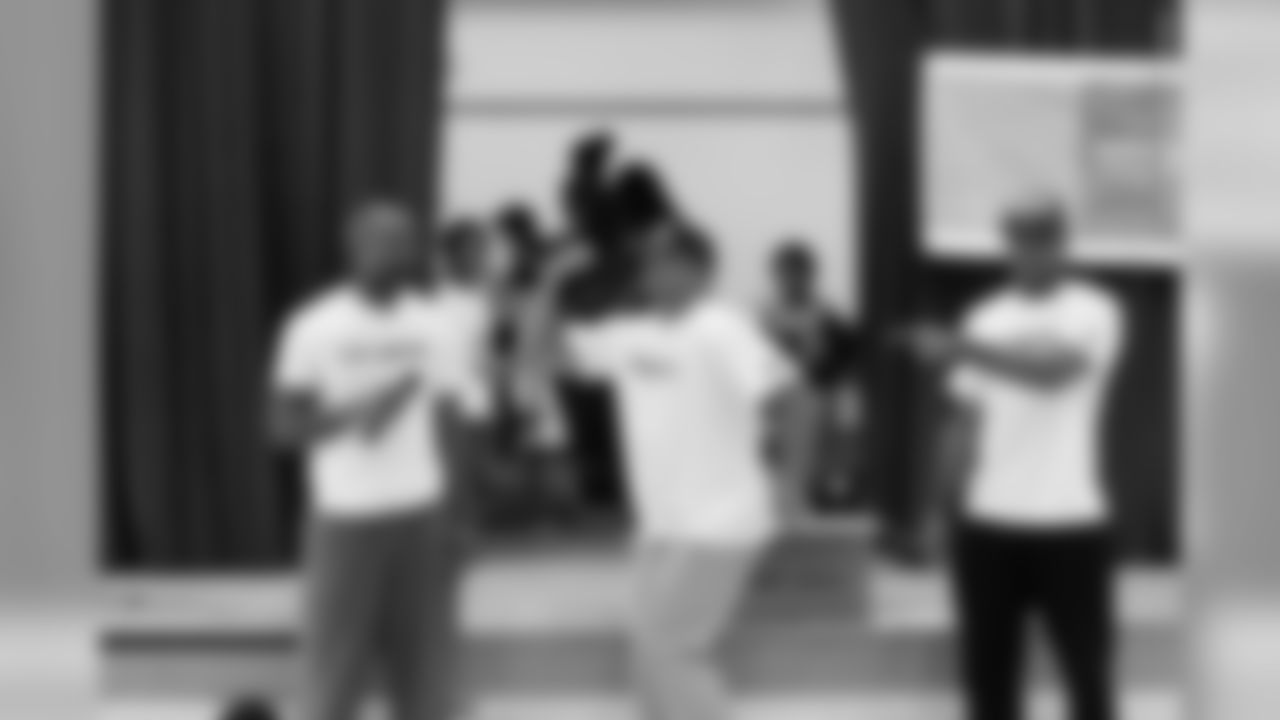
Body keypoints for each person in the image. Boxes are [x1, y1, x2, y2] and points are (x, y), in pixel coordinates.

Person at [521, 222, 814, 720]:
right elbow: (543, 353)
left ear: (696, 269)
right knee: (648, 655)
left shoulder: (720, 328)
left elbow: (798, 399)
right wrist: (550, 283)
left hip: (717, 524)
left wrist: (792, 488)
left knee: (669, 651)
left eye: (659, 259)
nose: (646, 270)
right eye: (646, 260)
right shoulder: (633, 334)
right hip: (662, 528)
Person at [901, 195, 1126, 720]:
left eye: (1043, 238)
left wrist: (962, 347)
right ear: (1007, 245)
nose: (1031, 250)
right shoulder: (985, 316)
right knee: (988, 677)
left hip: (1071, 521)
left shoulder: (1094, 310)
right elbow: (962, 422)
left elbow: (1054, 374)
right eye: (1021, 239)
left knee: (1087, 673)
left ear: (1063, 244)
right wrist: (937, 510)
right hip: (988, 523)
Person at [268, 200, 477, 720]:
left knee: (427, 677)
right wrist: (352, 415)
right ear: (354, 246)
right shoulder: (314, 326)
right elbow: (283, 426)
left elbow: (455, 424)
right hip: (345, 518)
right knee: (333, 674)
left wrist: (461, 515)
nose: (397, 252)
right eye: (384, 240)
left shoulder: (437, 326)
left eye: (406, 241)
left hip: (421, 515)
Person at [761, 240, 864, 511]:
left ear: (811, 274)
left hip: (818, 410)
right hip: (775, 413)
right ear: (777, 275)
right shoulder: (762, 319)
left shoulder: (831, 319)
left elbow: (844, 373)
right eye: (786, 273)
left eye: (799, 272)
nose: (792, 280)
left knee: (812, 488)